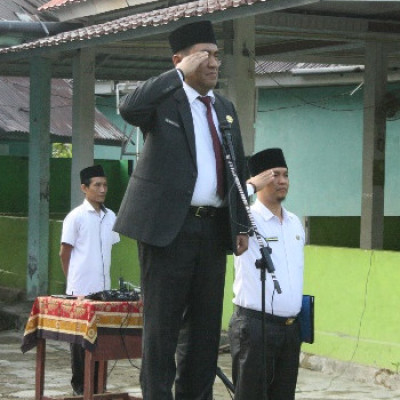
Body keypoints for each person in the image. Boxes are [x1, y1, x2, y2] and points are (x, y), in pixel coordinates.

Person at [113, 20, 251, 400]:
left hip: (212, 231)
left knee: (205, 332)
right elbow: (129, 107)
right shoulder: (163, 103)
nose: (213, 62)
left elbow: (237, 166)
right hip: (167, 230)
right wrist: (177, 75)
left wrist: (241, 225)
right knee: (162, 330)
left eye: (217, 55)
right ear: (180, 59)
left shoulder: (224, 108)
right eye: (204, 54)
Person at [228, 148, 305, 400]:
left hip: (290, 329)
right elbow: (228, 203)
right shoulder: (246, 219)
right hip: (255, 327)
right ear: (260, 180)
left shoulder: (294, 222)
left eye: (285, 175)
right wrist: (249, 185)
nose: (282, 181)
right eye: (274, 175)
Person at [59, 164, 120, 395]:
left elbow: (109, 249)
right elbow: (64, 253)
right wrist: (72, 284)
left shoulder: (111, 216)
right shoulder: (75, 217)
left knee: (101, 341)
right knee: (79, 343)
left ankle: (97, 387)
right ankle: (80, 388)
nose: (102, 189)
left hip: (102, 289)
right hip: (80, 290)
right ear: (84, 188)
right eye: (97, 185)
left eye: (105, 185)